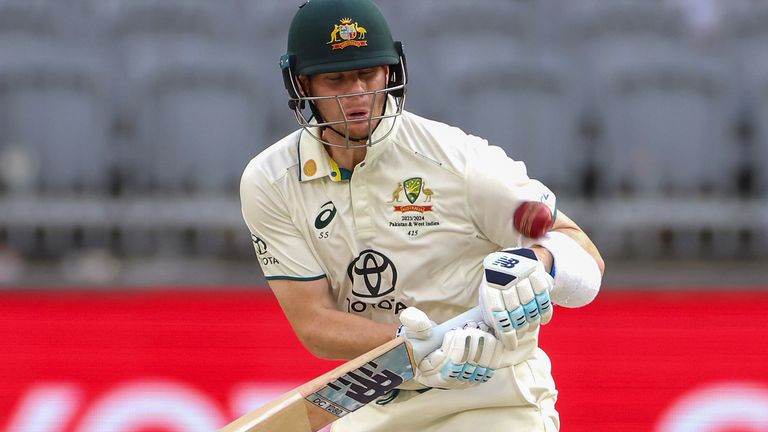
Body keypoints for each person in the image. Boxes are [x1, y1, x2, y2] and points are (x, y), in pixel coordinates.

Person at [240, 0, 605, 430]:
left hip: (493, 398)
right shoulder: (271, 182)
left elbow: (583, 256)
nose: (358, 94)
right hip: (376, 398)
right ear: (302, 82)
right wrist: (410, 348)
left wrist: (537, 264)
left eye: (368, 73)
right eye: (336, 78)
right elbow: (313, 322)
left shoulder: (458, 162)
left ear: (391, 71)